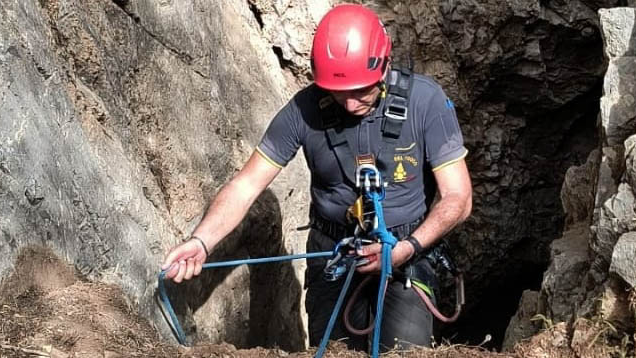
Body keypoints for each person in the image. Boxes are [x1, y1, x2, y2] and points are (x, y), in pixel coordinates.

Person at [160, 3, 472, 353]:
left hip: (407, 252)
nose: (351, 105)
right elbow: (247, 185)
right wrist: (201, 242)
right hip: (335, 252)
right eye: (340, 93)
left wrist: (408, 247)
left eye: (361, 91)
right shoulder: (305, 110)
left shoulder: (424, 102)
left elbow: (458, 197)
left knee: (405, 351)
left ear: (384, 65)